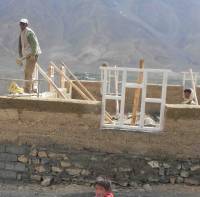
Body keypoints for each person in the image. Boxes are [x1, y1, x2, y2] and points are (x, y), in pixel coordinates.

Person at [18, 18, 41, 93]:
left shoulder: (29, 33)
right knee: (28, 72)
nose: (22, 25)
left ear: (26, 25)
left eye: (24, 24)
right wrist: (21, 57)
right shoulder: (22, 33)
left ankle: (28, 89)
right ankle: (29, 88)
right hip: (27, 55)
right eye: (21, 24)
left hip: (32, 55)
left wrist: (33, 55)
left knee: (28, 72)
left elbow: (34, 44)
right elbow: (20, 46)